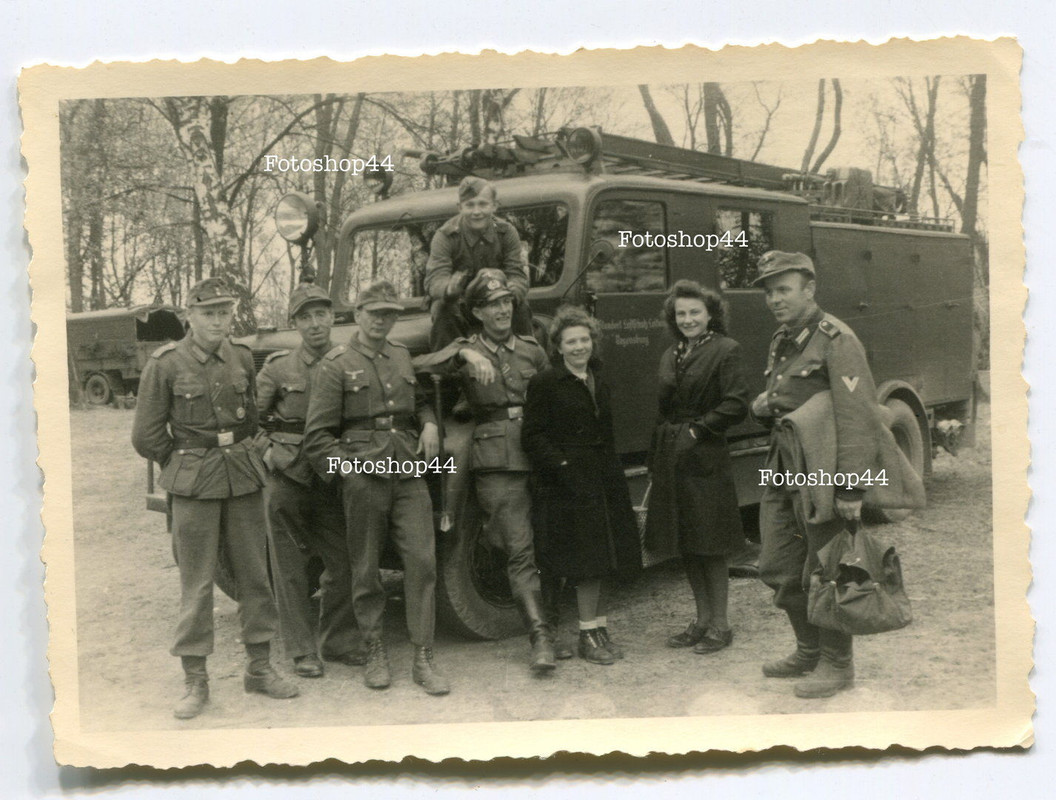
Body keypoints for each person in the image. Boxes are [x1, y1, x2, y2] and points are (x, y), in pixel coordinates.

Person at [131, 277, 298, 720]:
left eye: (225, 313)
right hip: (193, 484)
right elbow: (146, 435)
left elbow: (253, 422)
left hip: (243, 477)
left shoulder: (241, 356)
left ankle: (259, 669)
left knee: (255, 574)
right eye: (209, 313)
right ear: (190, 315)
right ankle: (195, 680)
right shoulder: (165, 364)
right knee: (198, 583)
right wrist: (186, 462)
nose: (218, 321)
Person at [302, 280, 449, 696]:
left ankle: (423, 656)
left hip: (406, 472)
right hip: (363, 476)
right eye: (374, 313)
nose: (382, 321)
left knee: (422, 562)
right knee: (365, 568)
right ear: (358, 315)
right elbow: (316, 438)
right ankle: (374, 650)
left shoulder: (401, 355)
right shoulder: (336, 363)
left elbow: (417, 400)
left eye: (389, 314)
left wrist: (430, 422)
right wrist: (347, 471)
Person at [750, 250, 879, 698]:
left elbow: (857, 415)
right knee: (778, 562)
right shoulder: (784, 338)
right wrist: (764, 405)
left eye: (783, 289)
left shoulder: (835, 339)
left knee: (827, 565)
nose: (774, 299)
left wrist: (850, 484)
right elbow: (787, 397)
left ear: (809, 288)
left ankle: (836, 663)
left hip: (822, 468)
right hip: (784, 464)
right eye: (768, 291)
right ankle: (807, 649)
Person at [414, 270, 556, 672]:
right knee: (517, 546)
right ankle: (539, 636)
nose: (502, 310)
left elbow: (554, 391)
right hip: (497, 460)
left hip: (539, 450)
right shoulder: (465, 350)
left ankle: (557, 620)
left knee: (550, 535)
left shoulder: (531, 348)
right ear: (477, 311)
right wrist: (462, 354)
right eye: (493, 305)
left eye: (507, 302)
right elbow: (417, 365)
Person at [522, 306, 642, 665]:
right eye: (570, 341)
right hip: (569, 484)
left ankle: (599, 630)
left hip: (604, 477)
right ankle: (587, 635)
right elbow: (532, 436)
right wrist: (562, 466)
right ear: (557, 347)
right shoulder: (545, 382)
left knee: (607, 557)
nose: (579, 347)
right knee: (586, 560)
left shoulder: (598, 377)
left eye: (584, 339)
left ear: (593, 341)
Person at [255, 282, 363, 679]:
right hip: (288, 475)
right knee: (287, 568)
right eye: (305, 317)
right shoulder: (279, 367)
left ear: (333, 317)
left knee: (344, 560)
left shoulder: (351, 361)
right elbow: (249, 419)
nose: (315, 324)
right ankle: (301, 651)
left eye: (321, 314)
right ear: (296, 323)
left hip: (332, 475)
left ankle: (338, 640)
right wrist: (266, 451)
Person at [646, 280, 749, 656]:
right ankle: (701, 620)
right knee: (686, 542)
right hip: (672, 454)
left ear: (710, 314)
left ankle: (720, 625)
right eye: (681, 314)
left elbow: (737, 404)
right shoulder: (670, 353)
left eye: (695, 312)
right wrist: (656, 454)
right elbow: (662, 410)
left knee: (711, 542)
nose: (688, 319)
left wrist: (698, 428)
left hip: (705, 456)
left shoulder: (726, 350)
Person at [424, 175, 532, 350]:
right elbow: (435, 278)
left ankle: (527, 359)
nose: (476, 211)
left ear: (494, 205)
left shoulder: (506, 233)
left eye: (483, 204)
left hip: (497, 302)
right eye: (469, 205)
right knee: (442, 308)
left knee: (520, 307)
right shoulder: (445, 236)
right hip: (461, 308)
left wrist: (513, 290)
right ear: (459, 207)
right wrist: (449, 288)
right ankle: (448, 368)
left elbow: (517, 274)